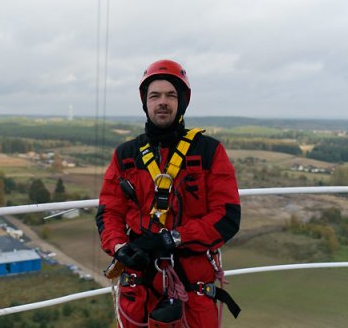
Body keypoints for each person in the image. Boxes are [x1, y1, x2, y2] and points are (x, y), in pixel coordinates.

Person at [96, 59, 241, 327]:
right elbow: (109, 212)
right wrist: (120, 247)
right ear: (145, 102)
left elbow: (226, 217)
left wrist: (172, 238)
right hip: (139, 281)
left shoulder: (208, 152)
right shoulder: (126, 156)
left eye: (170, 95)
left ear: (182, 101)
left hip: (193, 286)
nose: (162, 102)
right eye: (155, 96)